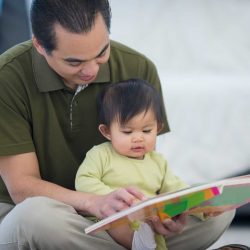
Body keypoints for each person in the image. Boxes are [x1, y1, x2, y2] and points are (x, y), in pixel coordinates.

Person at [0, 0, 235, 249]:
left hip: (119, 222)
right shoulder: (8, 78)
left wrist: (161, 215)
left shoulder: (138, 68)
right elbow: (23, 188)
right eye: (74, 62)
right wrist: (94, 202)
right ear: (39, 44)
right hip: (39, 215)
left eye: (101, 53)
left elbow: (142, 167)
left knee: (216, 211)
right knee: (36, 217)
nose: (91, 70)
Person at [75, 79, 189, 250]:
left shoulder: (158, 161)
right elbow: (84, 180)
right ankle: (139, 242)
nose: (138, 138)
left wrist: (198, 201)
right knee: (117, 222)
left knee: (157, 225)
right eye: (127, 132)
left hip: (148, 220)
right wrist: (113, 198)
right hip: (110, 217)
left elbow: (175, 188)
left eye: (146, 130)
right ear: (107, 132)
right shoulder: (101, 154)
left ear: (158, 128)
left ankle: (145, 242)